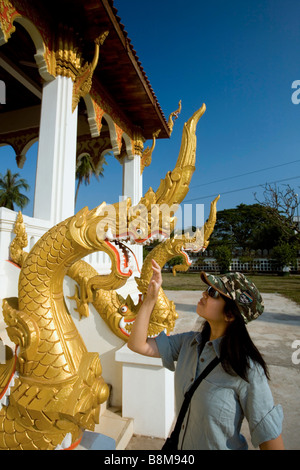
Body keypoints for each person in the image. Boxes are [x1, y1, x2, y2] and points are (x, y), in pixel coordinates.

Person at [127, 259, 284, 450]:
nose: (204, 293)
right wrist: (150, 298)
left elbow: (271, 441)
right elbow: (137, 345)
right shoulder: (189, 343)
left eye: (213, 293)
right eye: (207, 288)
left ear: (230, 315)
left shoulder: (248, 370)